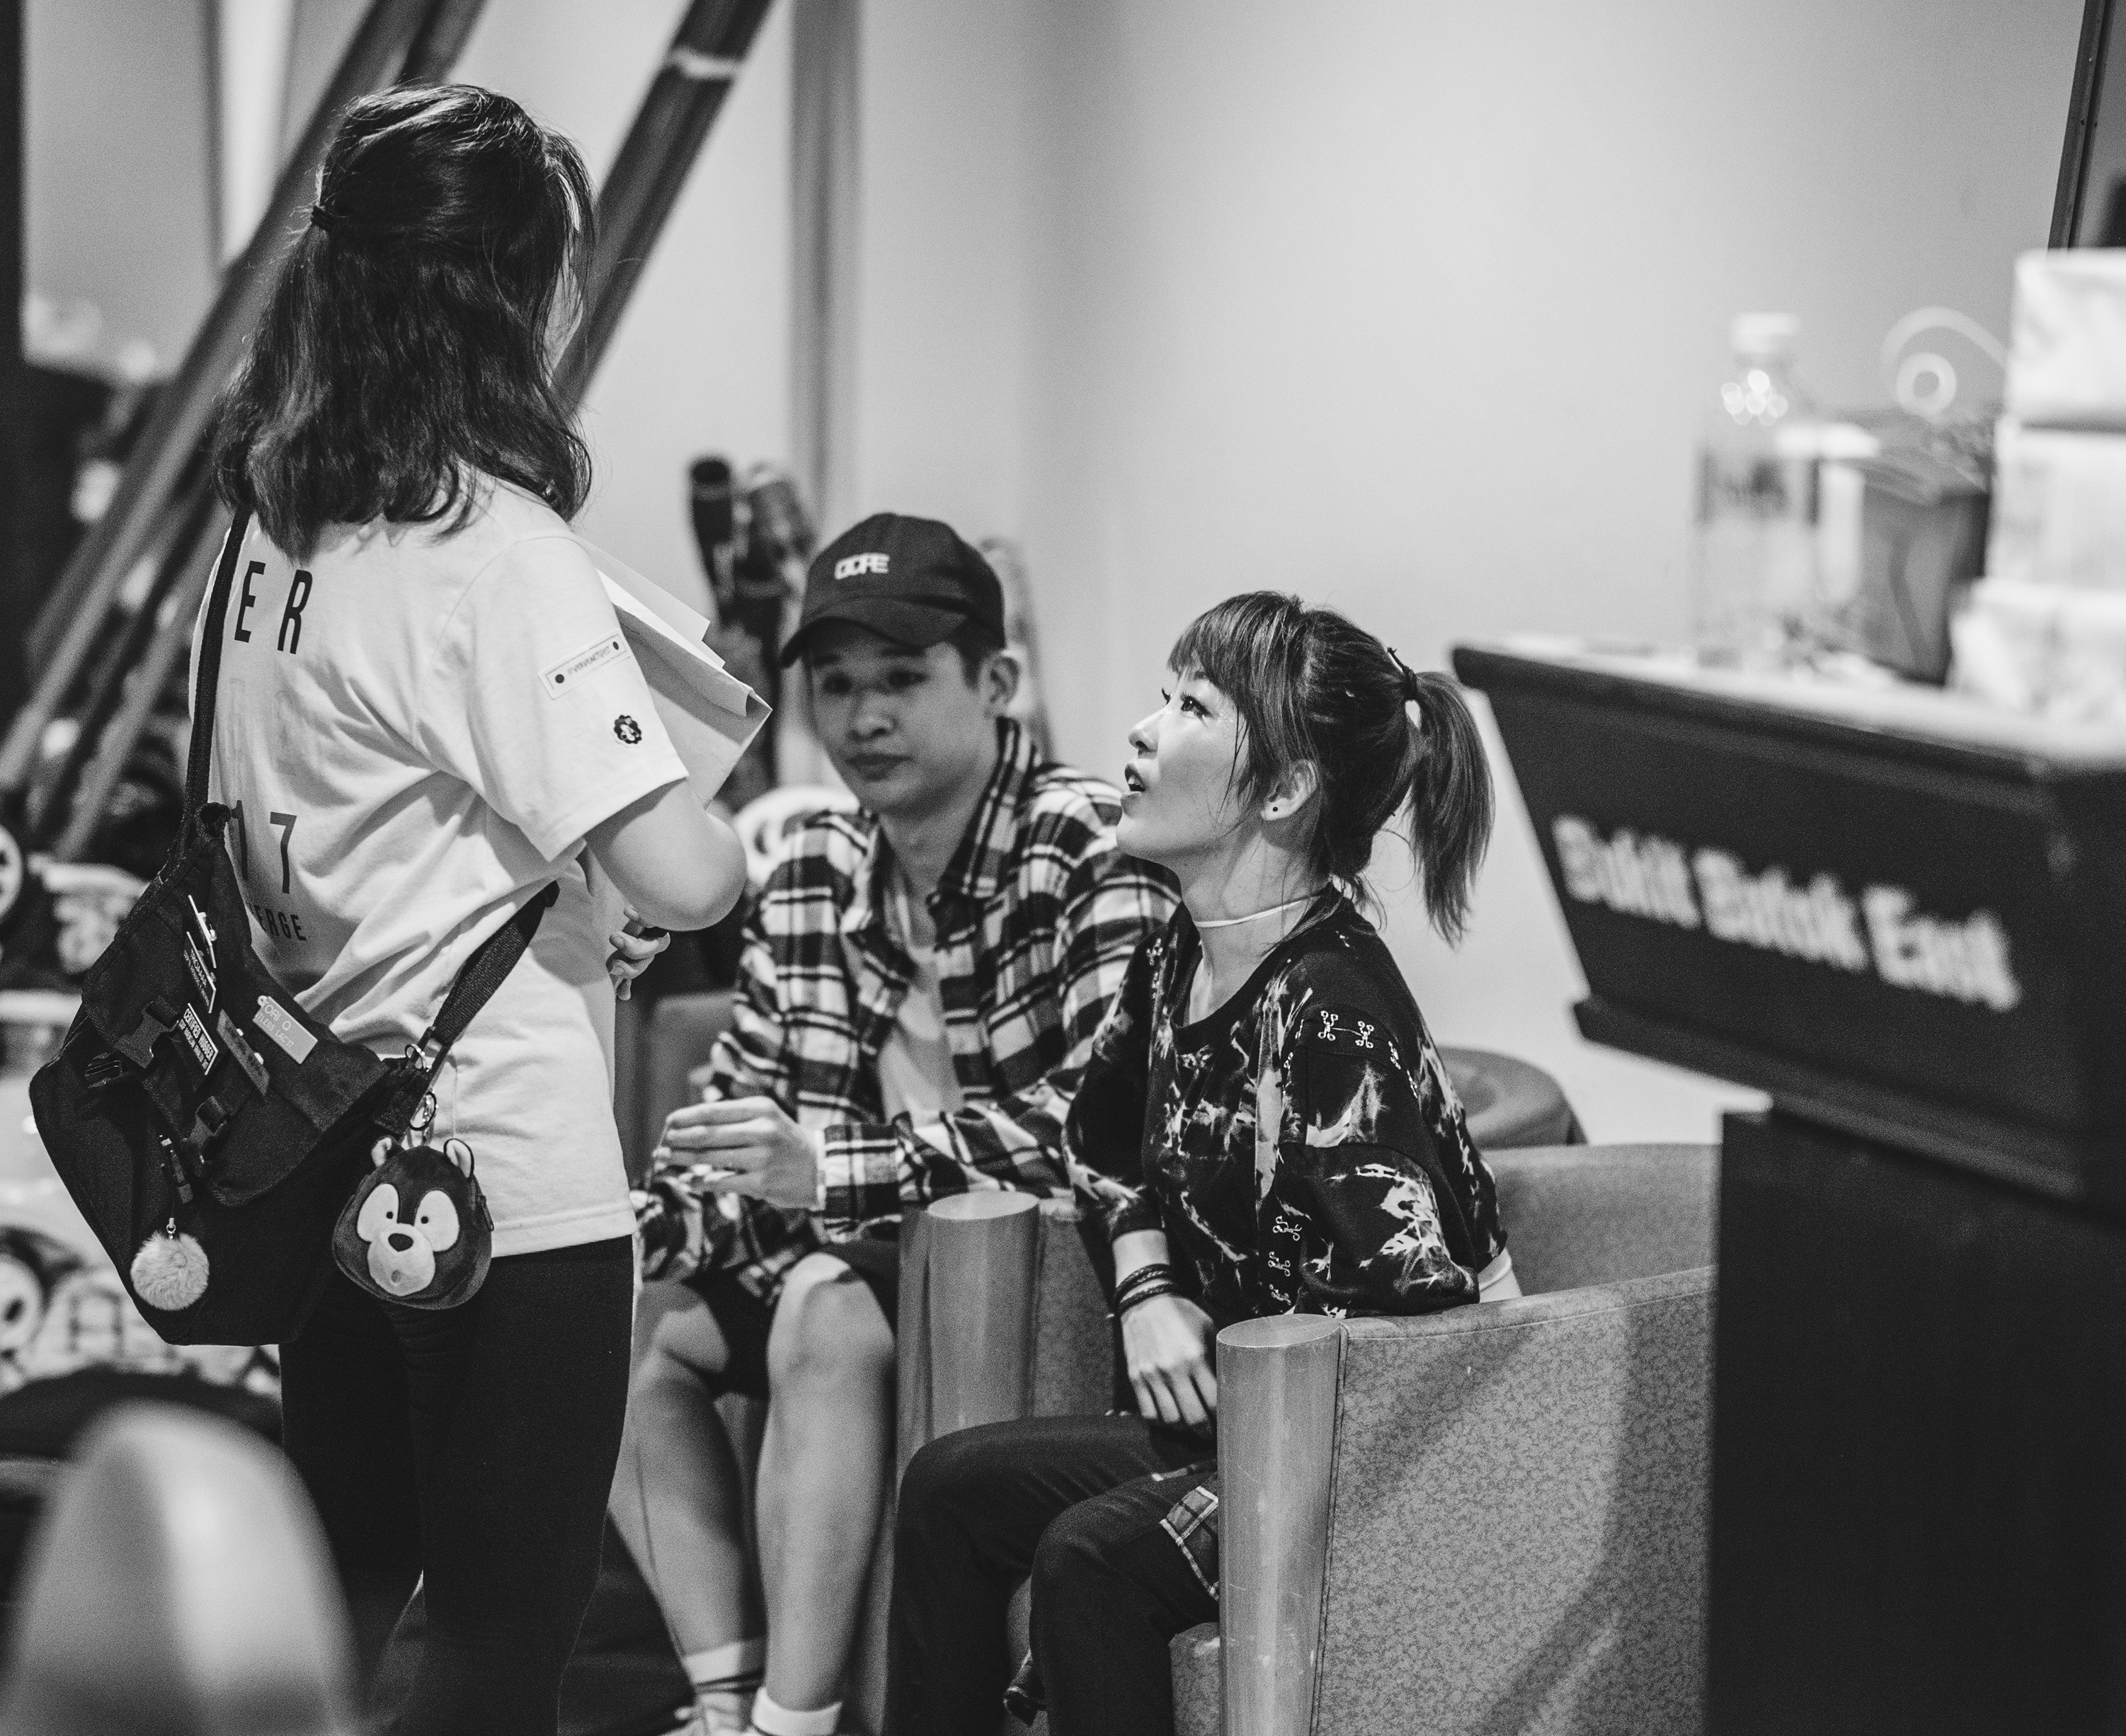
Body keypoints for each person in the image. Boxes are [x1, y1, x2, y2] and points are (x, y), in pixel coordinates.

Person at [202, 84, 748, 1736]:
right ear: (507, 294)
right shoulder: (494, 545)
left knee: (341, 1602)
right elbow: (683, 872)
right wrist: (703, 814)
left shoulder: (272, 521)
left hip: (320, 1137)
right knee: (504, 1642)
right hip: (502, 1163)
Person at [884, 590, 1518, 1736]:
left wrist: (1253, 1422)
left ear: (1282, 790)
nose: (1142, 729)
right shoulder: (1183, 949)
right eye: (1163, 696)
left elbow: (1424, 1341)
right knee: (948, 1488)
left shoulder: (1333, 1013)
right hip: (1245, 1420)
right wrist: (1145, 1288)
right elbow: (1097, 1136)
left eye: (1192, 708)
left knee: (1092, 1556)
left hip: (1361, 1451)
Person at [622, 514, 1177, 1736]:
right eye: (836, 685)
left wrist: (825, 1167)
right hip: (854, 1242)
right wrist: (633, 1227)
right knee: (628, 1319)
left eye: (903, 679)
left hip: (1043, 1272)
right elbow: (746, 1111)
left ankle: (794, 1723)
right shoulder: (812, 866)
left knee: (822, 1300)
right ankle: (722, 1701)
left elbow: (1099, 1128)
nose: (864, 717)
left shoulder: (1090, 846)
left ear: (996, 682)